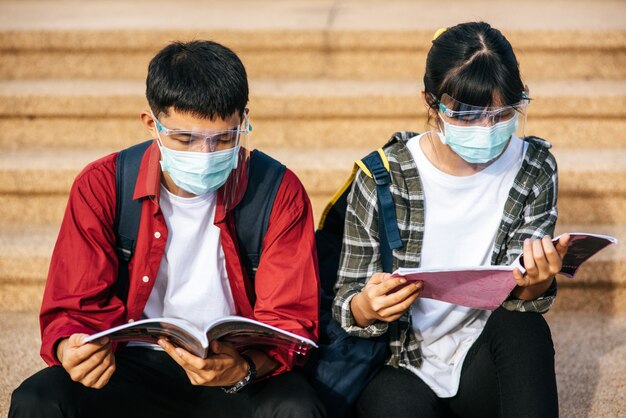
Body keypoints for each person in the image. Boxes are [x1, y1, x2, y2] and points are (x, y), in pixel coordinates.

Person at [10, 40, 324, 418]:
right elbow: (72, 307)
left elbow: (290, 322)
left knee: (295, 408)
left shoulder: (277, 192)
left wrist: (245, 368)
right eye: (184, 139)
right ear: (151, 125)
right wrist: (71, 350)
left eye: (223, 139)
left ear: (243, 120)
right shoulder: (104, 185)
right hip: (131, 366)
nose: (203, 155)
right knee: (39, 399)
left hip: (235, 371)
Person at [333, 22, 569, 418]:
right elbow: (346, 302)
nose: (487, 129)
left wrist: (538, 282)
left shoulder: (534, 167)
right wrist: (367, 306)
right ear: (431, 103)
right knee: (393, 406)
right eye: (468, 115)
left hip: (482, 356)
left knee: (524, 333)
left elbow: (520, 301)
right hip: (402, 364)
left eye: (503, 114)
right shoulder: (380, 177)